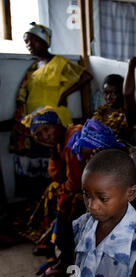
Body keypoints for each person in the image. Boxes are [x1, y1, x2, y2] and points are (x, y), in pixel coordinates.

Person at [9, 22, 92, 200]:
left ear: (44, 41)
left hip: (54, 122)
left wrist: (65, 94)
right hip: (37, 125)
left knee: (65, 162)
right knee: (46, 163)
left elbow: (86, 76)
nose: (28, 45)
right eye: (26, 42)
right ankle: (49, 199)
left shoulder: (59, 62)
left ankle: (65, 198)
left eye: (32, 41)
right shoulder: (33, 68)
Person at [72, 149, 136, 277]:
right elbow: (75, 268)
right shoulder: (82, 225)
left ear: (131, 193)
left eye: (102, 198)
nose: (91, 206)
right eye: (86, 195)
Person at [17, 106, 84, 277]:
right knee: (56, 191)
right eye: (38, 135)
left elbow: (75, 183)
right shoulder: (60, 143)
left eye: (47, 129)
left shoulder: (73, 136)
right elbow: (57, 176)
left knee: (67, 201)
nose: (44, 136)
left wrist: (62, 191)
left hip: (98, 187)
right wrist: (53, 152)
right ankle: (57, 247)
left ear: (56, 124)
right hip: (83, 186)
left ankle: (65, 259)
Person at [68, 118, 136, 216]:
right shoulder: (113, 154)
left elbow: (128, 204)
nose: (88, 163)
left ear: (98, 151)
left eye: (89, 159)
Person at [91, 57, 136, 144]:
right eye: (106, 93)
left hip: (113, 153)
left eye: (114, 93)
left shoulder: (126, 114)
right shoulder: (101, 110)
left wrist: (131, 66)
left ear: (121, 93)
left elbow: (128, 94)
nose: (108, 97)